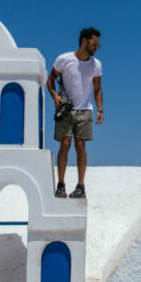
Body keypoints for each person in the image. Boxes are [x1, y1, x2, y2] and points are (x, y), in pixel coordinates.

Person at [47, 27, 103, 198]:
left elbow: (98, 88)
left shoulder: (96, 64)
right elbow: (50, 80)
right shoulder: (64, 59)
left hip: (84, 109)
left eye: (98, 44)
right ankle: (61, 184)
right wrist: (55, 96)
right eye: (95, 43)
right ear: (84, 41)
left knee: (81, 145)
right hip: (66, 109)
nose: (97, 47)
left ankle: (80, 186)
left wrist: (100, 109)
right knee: (64, 144)